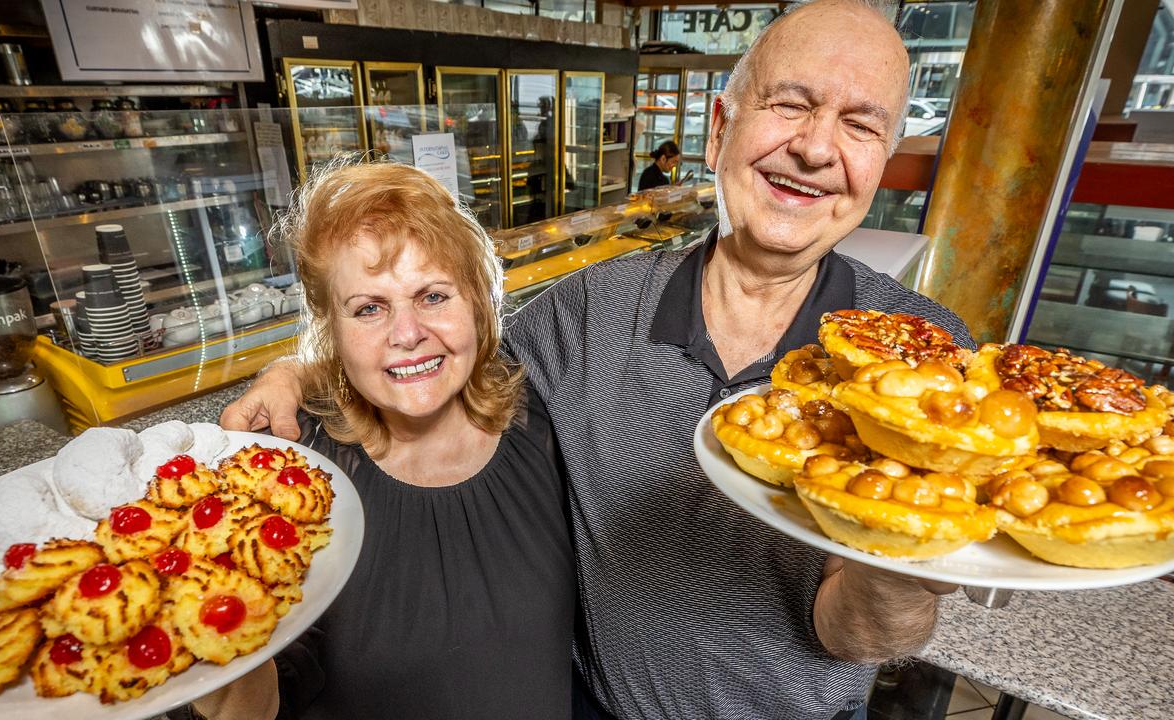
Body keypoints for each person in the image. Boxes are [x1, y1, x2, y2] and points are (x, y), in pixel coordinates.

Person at [223, 2, 971, 718]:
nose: (814, 147)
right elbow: (438, 357)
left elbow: (859, 634)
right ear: (719, 129)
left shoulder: (925, 367)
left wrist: (901, 560)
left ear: (881, 163)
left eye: (859, 124)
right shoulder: (589, 312)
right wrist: (295, 376)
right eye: (789, 104)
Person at [196, 161, 575, 720]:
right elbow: (258, 701)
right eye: (368, 309)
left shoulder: (543, 418)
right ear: (333, 331)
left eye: (433, 296)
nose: (407, 334)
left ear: (477, 300)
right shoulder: (297, 478)